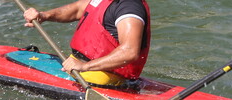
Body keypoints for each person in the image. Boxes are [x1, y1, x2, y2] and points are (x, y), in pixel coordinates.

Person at [23, 0, 151, 86]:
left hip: (103, 75)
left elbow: (129, 51)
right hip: (77, 65)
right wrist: (44, 15)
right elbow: (78, 9)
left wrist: (84, 67)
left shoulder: (129, 7)